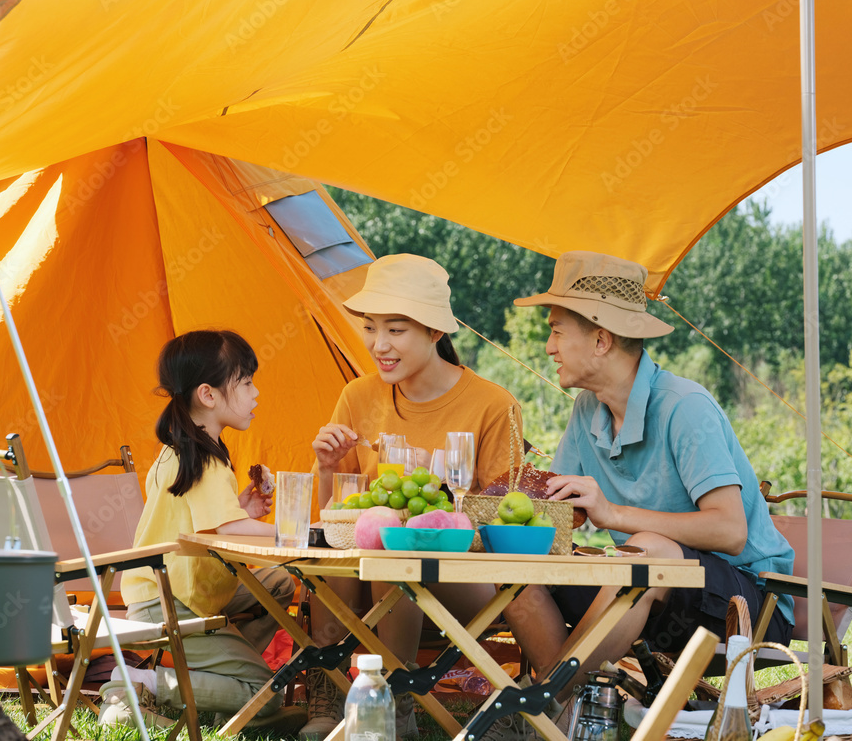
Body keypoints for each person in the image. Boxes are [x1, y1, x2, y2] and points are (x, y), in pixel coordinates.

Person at [505, 250, 795, 718]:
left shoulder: (685, 407)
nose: (548, 347)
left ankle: (540, 705)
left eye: (556, 330)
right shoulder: (588, 409)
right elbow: (553, 516)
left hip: (742, 605)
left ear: (601, 340)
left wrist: (614, 515)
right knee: (519, 574)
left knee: (647, 550)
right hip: (638, 593)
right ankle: (560, 711)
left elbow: (730, 531)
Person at [301, 254, 523, 741]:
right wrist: (328, 468)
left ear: (435, 332)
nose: (379, 345)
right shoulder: (357, 397)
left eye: (396, 330)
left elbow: (504, 522)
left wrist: (439, 507)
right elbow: (334, 518)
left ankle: (392, 702)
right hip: (370, 573)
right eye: (369, 327)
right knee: (337, 549)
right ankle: (330, 685)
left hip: (466, 577)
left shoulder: (492, 405)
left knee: (392, 547)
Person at [100, 330, 306, 732]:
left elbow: (206, 521)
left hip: (171, 587)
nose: (255, 393)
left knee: (278, 583)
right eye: (245, 383)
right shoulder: (204, 460)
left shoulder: (181, 449)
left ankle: (218, 686)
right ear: (208, 395)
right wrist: (296, 531)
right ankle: (144, 683)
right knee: (265, 693)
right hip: (170, 601)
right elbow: (228, 529)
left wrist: (241, 509)